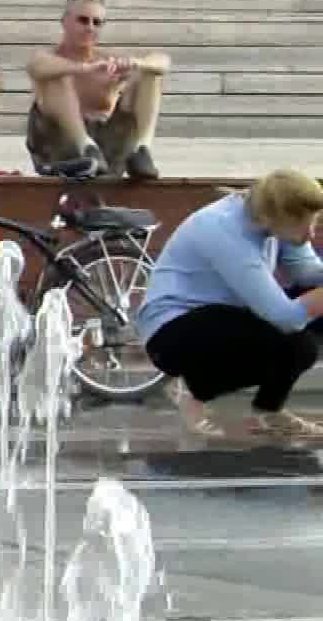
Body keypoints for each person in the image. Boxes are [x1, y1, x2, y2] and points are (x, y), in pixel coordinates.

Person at [137, 169, 323, 439]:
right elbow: (285, 318)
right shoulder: (222, 229)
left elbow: (305, 270)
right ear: (269, 218)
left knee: (302, 346)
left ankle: (268, 412)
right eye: (303, 225)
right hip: (171, 333)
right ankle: (194, 391)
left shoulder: (275, 215)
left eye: (314, 222)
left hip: (225, 319)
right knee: (292, 336)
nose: (310, 234)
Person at [24, 0, 169, 180]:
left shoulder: (108, 59)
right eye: (83, 20)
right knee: (56, 76)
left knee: (150, 73)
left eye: (97, 22)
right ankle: (86, 146)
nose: (90, 28)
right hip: (60, 153)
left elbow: (163, 62)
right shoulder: (47, 57)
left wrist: (136, 63)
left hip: (108, 155)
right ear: (64, 21)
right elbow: (36, 66)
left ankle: (141, 150)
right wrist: (84, 68)